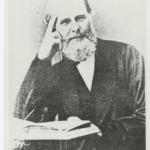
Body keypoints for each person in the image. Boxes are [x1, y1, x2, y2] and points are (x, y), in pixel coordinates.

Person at [13, 0, 145, 149]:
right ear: (53, 30)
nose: (75, 27)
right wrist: (42, 58)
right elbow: (25, 123)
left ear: (91, 15)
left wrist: (101, 132)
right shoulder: (53, 71)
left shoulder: (127, 55)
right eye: (65, 22)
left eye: (80, 18)